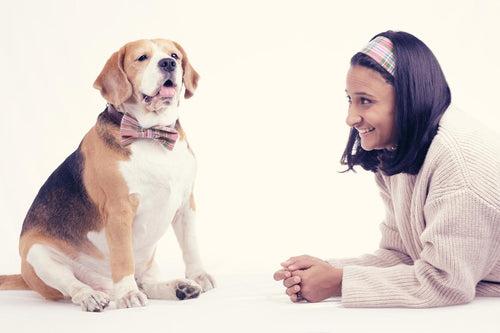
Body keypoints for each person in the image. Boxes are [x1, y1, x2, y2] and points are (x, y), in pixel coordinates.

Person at [273, 30, 500, 308]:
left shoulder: (459, 164)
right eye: (350, 99)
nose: (351, 117)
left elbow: (445, 282)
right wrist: (325, 270)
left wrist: (338, 282)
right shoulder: (399, 149)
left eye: (365, 100)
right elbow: (404, 254)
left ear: (408, 99)